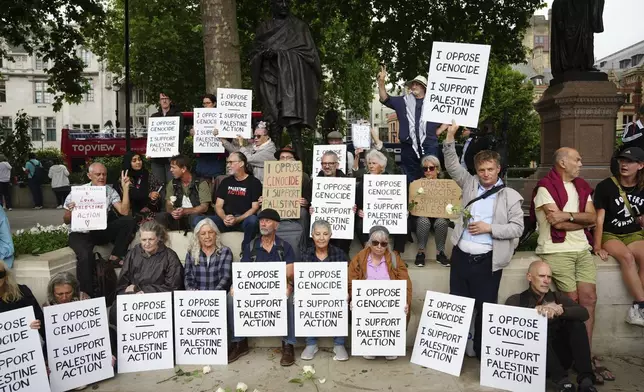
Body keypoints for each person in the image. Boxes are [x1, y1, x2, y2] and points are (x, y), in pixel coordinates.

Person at [440, 120, 524, 359]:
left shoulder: (510, 195)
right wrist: (450, 138)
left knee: (485, 307)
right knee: (459, 305)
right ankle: (455, 350)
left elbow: (517, 228)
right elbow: (453, 165)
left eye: (490, 169)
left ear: (498, 169)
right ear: (476, 171)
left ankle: (481, 351)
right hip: (461, 256)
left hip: (488, 261)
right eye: (481, 170)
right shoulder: (470, 184)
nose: (485, 174)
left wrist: (490, 228)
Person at [528, 147, 605, 380]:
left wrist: (568, 215)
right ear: (562, 162)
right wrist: (580, 219)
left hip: (582, 249)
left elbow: (593, 218)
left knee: (589, 298)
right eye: (577, 159)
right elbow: (556, 224)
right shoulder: (545, 187)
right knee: (571, 303)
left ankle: (586, 356)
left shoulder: (582, 186)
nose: (581, 163)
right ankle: (572, 358)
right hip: (556, 250)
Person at [505, 261, 598, 392]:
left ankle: (586, 380)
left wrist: (561, 311)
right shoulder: (516, 300)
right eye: (542, 276)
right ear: (529, 277)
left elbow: (584, 313)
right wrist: (535, 311)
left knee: (577, 325)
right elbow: (508, 326)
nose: (546, 281)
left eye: (549, 277)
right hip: (533, 361)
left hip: (560, 355)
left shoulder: (557, 297)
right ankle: (562, 382)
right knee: (535, 331)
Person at [250, 0, 321, 163]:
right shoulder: (264, 28)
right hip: (269, 79)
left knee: (294, 131)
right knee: (273, 126)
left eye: (286, 2)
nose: (284, 5)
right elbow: (253, 55)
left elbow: (309, 55)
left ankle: (300, 174)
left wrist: (280, 55)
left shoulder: (299, 27)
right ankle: (272, 176)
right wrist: (263, 55)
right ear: (272, 5)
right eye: (279, 2)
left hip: (291, 84)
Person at [231, 209, 297, 366]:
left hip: (277, 289)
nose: (263, 223)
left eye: (267, 221)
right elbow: (243, 272)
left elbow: (289, 274)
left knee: (289, 298)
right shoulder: (251, 246)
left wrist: (288, 286)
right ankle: (239, 342)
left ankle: (288, 344)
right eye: (261, 221)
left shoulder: (284, 247)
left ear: (276, 225)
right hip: (254, 290)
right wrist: (236, 286)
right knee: (230, 297)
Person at [65, 163, 137, 296]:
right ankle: (86, 294)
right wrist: (70, 211)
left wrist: (125, 189)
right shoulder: (78, 192)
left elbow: (124, 211)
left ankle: (115, 256)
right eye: (98, 174)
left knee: (129, 221)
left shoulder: (109, 191)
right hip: (80, 232)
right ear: (89, 176)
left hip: (99, 230)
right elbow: (65, 220)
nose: (102, 177)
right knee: (85, 256)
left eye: (104, 174)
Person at [594, 148, 644, 326]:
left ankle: (637, 309)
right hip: (611, 234)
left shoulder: (642, 188)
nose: (624, 164)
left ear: (640, 165)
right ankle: (641, 305)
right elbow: (599, 220)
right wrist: (597, 247)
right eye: (622, 160)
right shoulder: (605, 186)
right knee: (627, 258)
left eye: (630, 161)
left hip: (633, 234)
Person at [348, 226, 411, 360]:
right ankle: (370, 345)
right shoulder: (359, 259)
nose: (379, 247)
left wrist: (405, 301)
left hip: (389, 305)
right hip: (367, 305)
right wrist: (354, 297)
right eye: (375, 243)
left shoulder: (395, 259)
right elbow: (351, 280)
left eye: (383, 244)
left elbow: (405, 283)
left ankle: (389, 345)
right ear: (369, 243)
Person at [377, 65, 440, 184]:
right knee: (411, 179)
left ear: (424, 87)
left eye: (417, 84)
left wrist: (439, 131)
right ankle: (412, 202)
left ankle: (431, 202)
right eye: (412, 84)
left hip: (429, 145)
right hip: (408, 146)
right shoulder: (403, 101)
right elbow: (384, 98)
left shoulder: (434, 103)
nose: (413, 86)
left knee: (431, 177)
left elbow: (448, 117)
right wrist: (381, 82)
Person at [300, 220, 349, 361]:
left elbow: (345, 277)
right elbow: (301, 280)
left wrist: (345, 292)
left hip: (334, 295)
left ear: (330, 235)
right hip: (312, 296)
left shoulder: (339, 254)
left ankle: (339, 344)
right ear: (312, 236)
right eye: (318, 234)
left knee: (343, 300)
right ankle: (311, 343)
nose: (321, 238)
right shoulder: (306, 255)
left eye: (325, 234)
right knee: (304, 301)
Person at [355, 149, 407, 257]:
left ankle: (396, 255)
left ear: (382, 166)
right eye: (369, 163)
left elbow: (398, 199)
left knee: (404, 223)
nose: (371, 166)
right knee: (360, 224)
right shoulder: (363, 181)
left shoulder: (392, 180)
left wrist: (403, 210)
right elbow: (358, 201)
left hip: (388, 215)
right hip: (369, 216)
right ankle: (367, 251)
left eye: (374, 163)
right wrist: (359, 211)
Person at [208, 152, 262, 250]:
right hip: (225, 220)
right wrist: (224, 217)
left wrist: (237, 219)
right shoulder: (226, 181)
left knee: (253, 221)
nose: (228, 165)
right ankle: (213, 251)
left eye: (231, 162)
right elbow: (218, 205)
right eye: (227, 162)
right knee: (200, 221)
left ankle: (246, 251)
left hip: (243, 221)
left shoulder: (254, 182)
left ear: (241, 163)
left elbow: (255, 207)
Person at [310, 151, 355, 255]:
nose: (327, 166)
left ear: (337, 165)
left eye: (330, 163)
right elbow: (308, 200)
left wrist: (353, 208)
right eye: (324, 163)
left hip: (341, 224)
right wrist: (309, 207)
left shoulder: (347, 182)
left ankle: (342, 256)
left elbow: (353, 202)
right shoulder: (314, 182)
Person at [156, 155, 210, 231]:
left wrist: (185, 211)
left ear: (183, 169)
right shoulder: (172, 183)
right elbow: (168, 204)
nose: (170, 170)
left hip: (196, 217)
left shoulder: (201, 183)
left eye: (173, 167)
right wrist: (172, 212)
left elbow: (204, 207)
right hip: (178, 218)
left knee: (194, 217)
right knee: (161, 216)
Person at [413, 155, 450, 267]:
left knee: (442, 222)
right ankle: (421, 252)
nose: (428, 171)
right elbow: (413, 204)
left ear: (437, 169)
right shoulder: (417, 184)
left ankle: (440, 253)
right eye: (425, 169)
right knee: (423, 221)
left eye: (431, 168)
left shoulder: (446, 185)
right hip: (423, 216)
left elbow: (450, 203)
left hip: (439, 215)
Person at [0, 260, 45, 342]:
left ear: (6, 275)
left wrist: (36, 324)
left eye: (0, 274)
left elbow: (39, 319)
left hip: (26, 344)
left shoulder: (22, 292)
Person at [184, 218, 233, 291]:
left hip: (218, 296)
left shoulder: (225, 252)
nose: (207, 236)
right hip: (196, 297)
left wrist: (213, 296)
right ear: (198, 237)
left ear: (215, 234)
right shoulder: (191, 253)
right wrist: (192, 291)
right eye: (203, 234)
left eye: (210, 232)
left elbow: (225, 277)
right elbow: (188, 277)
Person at [116, 152, 162, 223]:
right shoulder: (124, 177)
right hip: (129, 213)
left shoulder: (146, 174)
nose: (138, 162)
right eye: (134, 161)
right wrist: (148, 194)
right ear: (128, 163)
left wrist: (156, 194)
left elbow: (157, 188)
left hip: (148, 210)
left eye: (139, 159)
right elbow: (133, 194)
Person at [150, 92, 185, 185]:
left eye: (166, 98)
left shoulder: (178, 115)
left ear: (170, 101)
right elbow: (151, 138)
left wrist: (179, 153)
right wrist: (150, 151)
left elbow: (181, 136)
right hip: (157, 159)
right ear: (159, 101)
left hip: (172, 158)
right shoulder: (154, 117)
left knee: (172, 185)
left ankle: (171, 200)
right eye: (162, 99)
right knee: (158, 185)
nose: (164, 100)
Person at [193, 94, 227, 182]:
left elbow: (228, 135)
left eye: (208, 103)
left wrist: (221, 133)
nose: (206, 106)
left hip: (217, 156)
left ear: (214, 104)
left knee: (218, 182)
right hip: (203, 155)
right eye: (204, 104)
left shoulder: (222, 117)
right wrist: (193, 133)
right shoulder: (199, 117)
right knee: (204, 182)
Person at [612, 105, 644, 175]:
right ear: (642, 115)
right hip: (632, 160)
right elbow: (625, 140)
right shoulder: (632, 126)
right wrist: (641, 133)